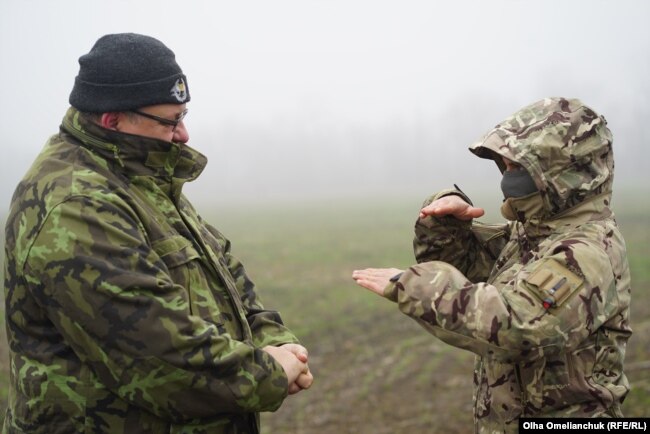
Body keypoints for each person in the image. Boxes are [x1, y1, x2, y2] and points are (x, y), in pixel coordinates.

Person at [3, 33, 312, 434]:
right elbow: (157, 355)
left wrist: (278, 341)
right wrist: (269, 372)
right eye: (171, 121)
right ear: (112, 119)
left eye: (183, 116)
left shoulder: (141, 177)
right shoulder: (76, 204)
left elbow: (225, 276)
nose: (183, 134)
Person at [353, 97, 631, 431]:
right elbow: (469, 269)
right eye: (505, 166)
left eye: (519, 168)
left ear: (562, 175)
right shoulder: (534, 234)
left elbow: (515, 325)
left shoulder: (584, 253)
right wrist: (445, 222)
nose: (508, 178)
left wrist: (413, 287)